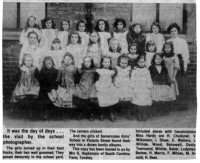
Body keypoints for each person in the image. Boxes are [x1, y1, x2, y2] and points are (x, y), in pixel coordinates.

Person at [167, 23, 190, 110]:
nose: (173, 32)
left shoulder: (182, 41)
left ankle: (181, 104)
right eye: (171, 31)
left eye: (175, 31)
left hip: (179, 61)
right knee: (172, 81)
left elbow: (185, 54)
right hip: (170, 61)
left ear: (178, 31)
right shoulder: (168, 41)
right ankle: (172, 103)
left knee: (180, 82)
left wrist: (184, 66)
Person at [11, 54, 40, 118]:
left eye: (30, 60)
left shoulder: (34, 68)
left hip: (32, 85)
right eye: (27, 60)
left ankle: (31, 113)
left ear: (32, 61)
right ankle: (23, 113)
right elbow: (15, 78)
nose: (28, 62)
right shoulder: (20, 68)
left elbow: (39, 78)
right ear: (24, 61)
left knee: (33, 95)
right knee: (21, 95)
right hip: (22, 85)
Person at [73, 56, 97, 121]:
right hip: (82, 85)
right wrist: (77, 84)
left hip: (91, 85)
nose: (86, 63)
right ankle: (81, 112)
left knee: (91, 97)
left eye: (88, 62)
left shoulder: (94, 70)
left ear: (91, 62)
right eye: (85, 62)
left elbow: (96, 79)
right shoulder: (81, 70)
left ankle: (91, 113)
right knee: (80, 96)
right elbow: (77, 77)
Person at [95, 57, 118, 122]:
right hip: (101, 87)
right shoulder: (99, 71)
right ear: (102, 63)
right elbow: (97, 80)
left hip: (109, 86)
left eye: (108, 62)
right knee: (101, 98)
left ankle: (111, 113)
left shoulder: (111, 71)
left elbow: (114, 78)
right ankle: (101, 113)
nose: (107, 63)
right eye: (105, 62)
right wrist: (98, 87)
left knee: (111, 98)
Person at [131, 55, 153, 121]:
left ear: (145, 62)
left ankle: (144, 114)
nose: (141, 63)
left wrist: (149, 87)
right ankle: (139, 114)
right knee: (138, 102)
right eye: (140, 62)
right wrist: (133, 87)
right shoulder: (135, 71)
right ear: (137, 62)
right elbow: (133, 79)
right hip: (138, 87)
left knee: (144, 102)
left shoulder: (147, 71)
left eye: (143, 62)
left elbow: (149, 79)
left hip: (145, 88)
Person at [163, 41, 180, 109]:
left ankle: (172, 104)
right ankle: (166, 103)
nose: (167, 49)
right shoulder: (163, 56)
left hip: (171, 73)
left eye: (169, 48)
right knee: (165, 87)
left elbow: (176, 67)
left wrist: (173, 76)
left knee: (172, 86)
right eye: (166, 48)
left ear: (171, 48)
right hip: (164, 74)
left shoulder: (174, 56)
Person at [114, 55, 132, 119]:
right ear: (119, 63)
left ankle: (128, 113)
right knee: (117, 99)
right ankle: (115, 112)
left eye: (125, 63)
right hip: (119, 85)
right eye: (122, 63)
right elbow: (114, 77)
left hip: (127, 86)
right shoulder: (117, 69)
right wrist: (115, 83)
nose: (124, 65)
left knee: (128, 100)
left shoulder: (129, 69)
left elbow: (131, 77)